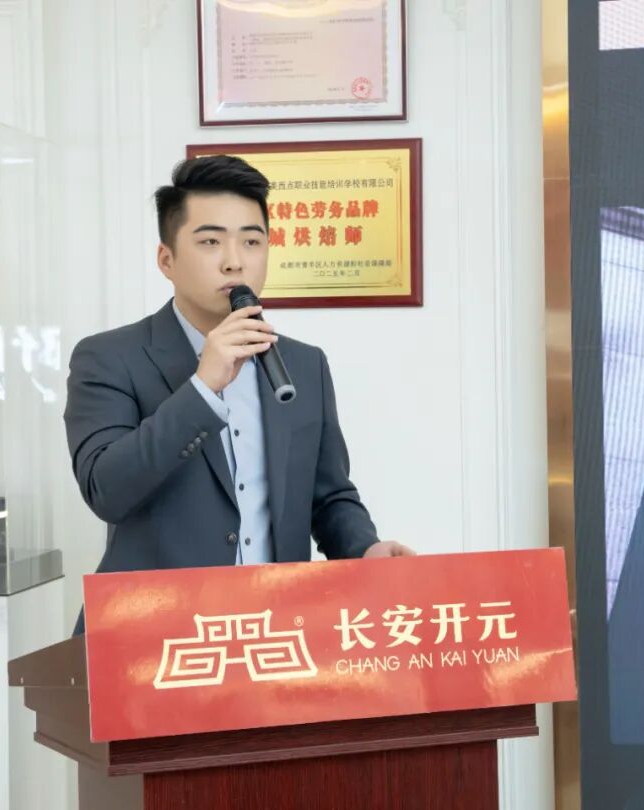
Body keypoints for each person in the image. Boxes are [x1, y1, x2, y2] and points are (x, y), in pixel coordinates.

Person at [64, 155, 413, 634]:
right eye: (210, 241)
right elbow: (106, 490)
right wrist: (202, 387)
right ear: (166, 260)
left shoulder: (303, 365)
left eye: (252, 241)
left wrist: (364, 549)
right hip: (152, 638)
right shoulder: (109, 357)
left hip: (273, 632)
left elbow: (328, 496)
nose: (235, 260)